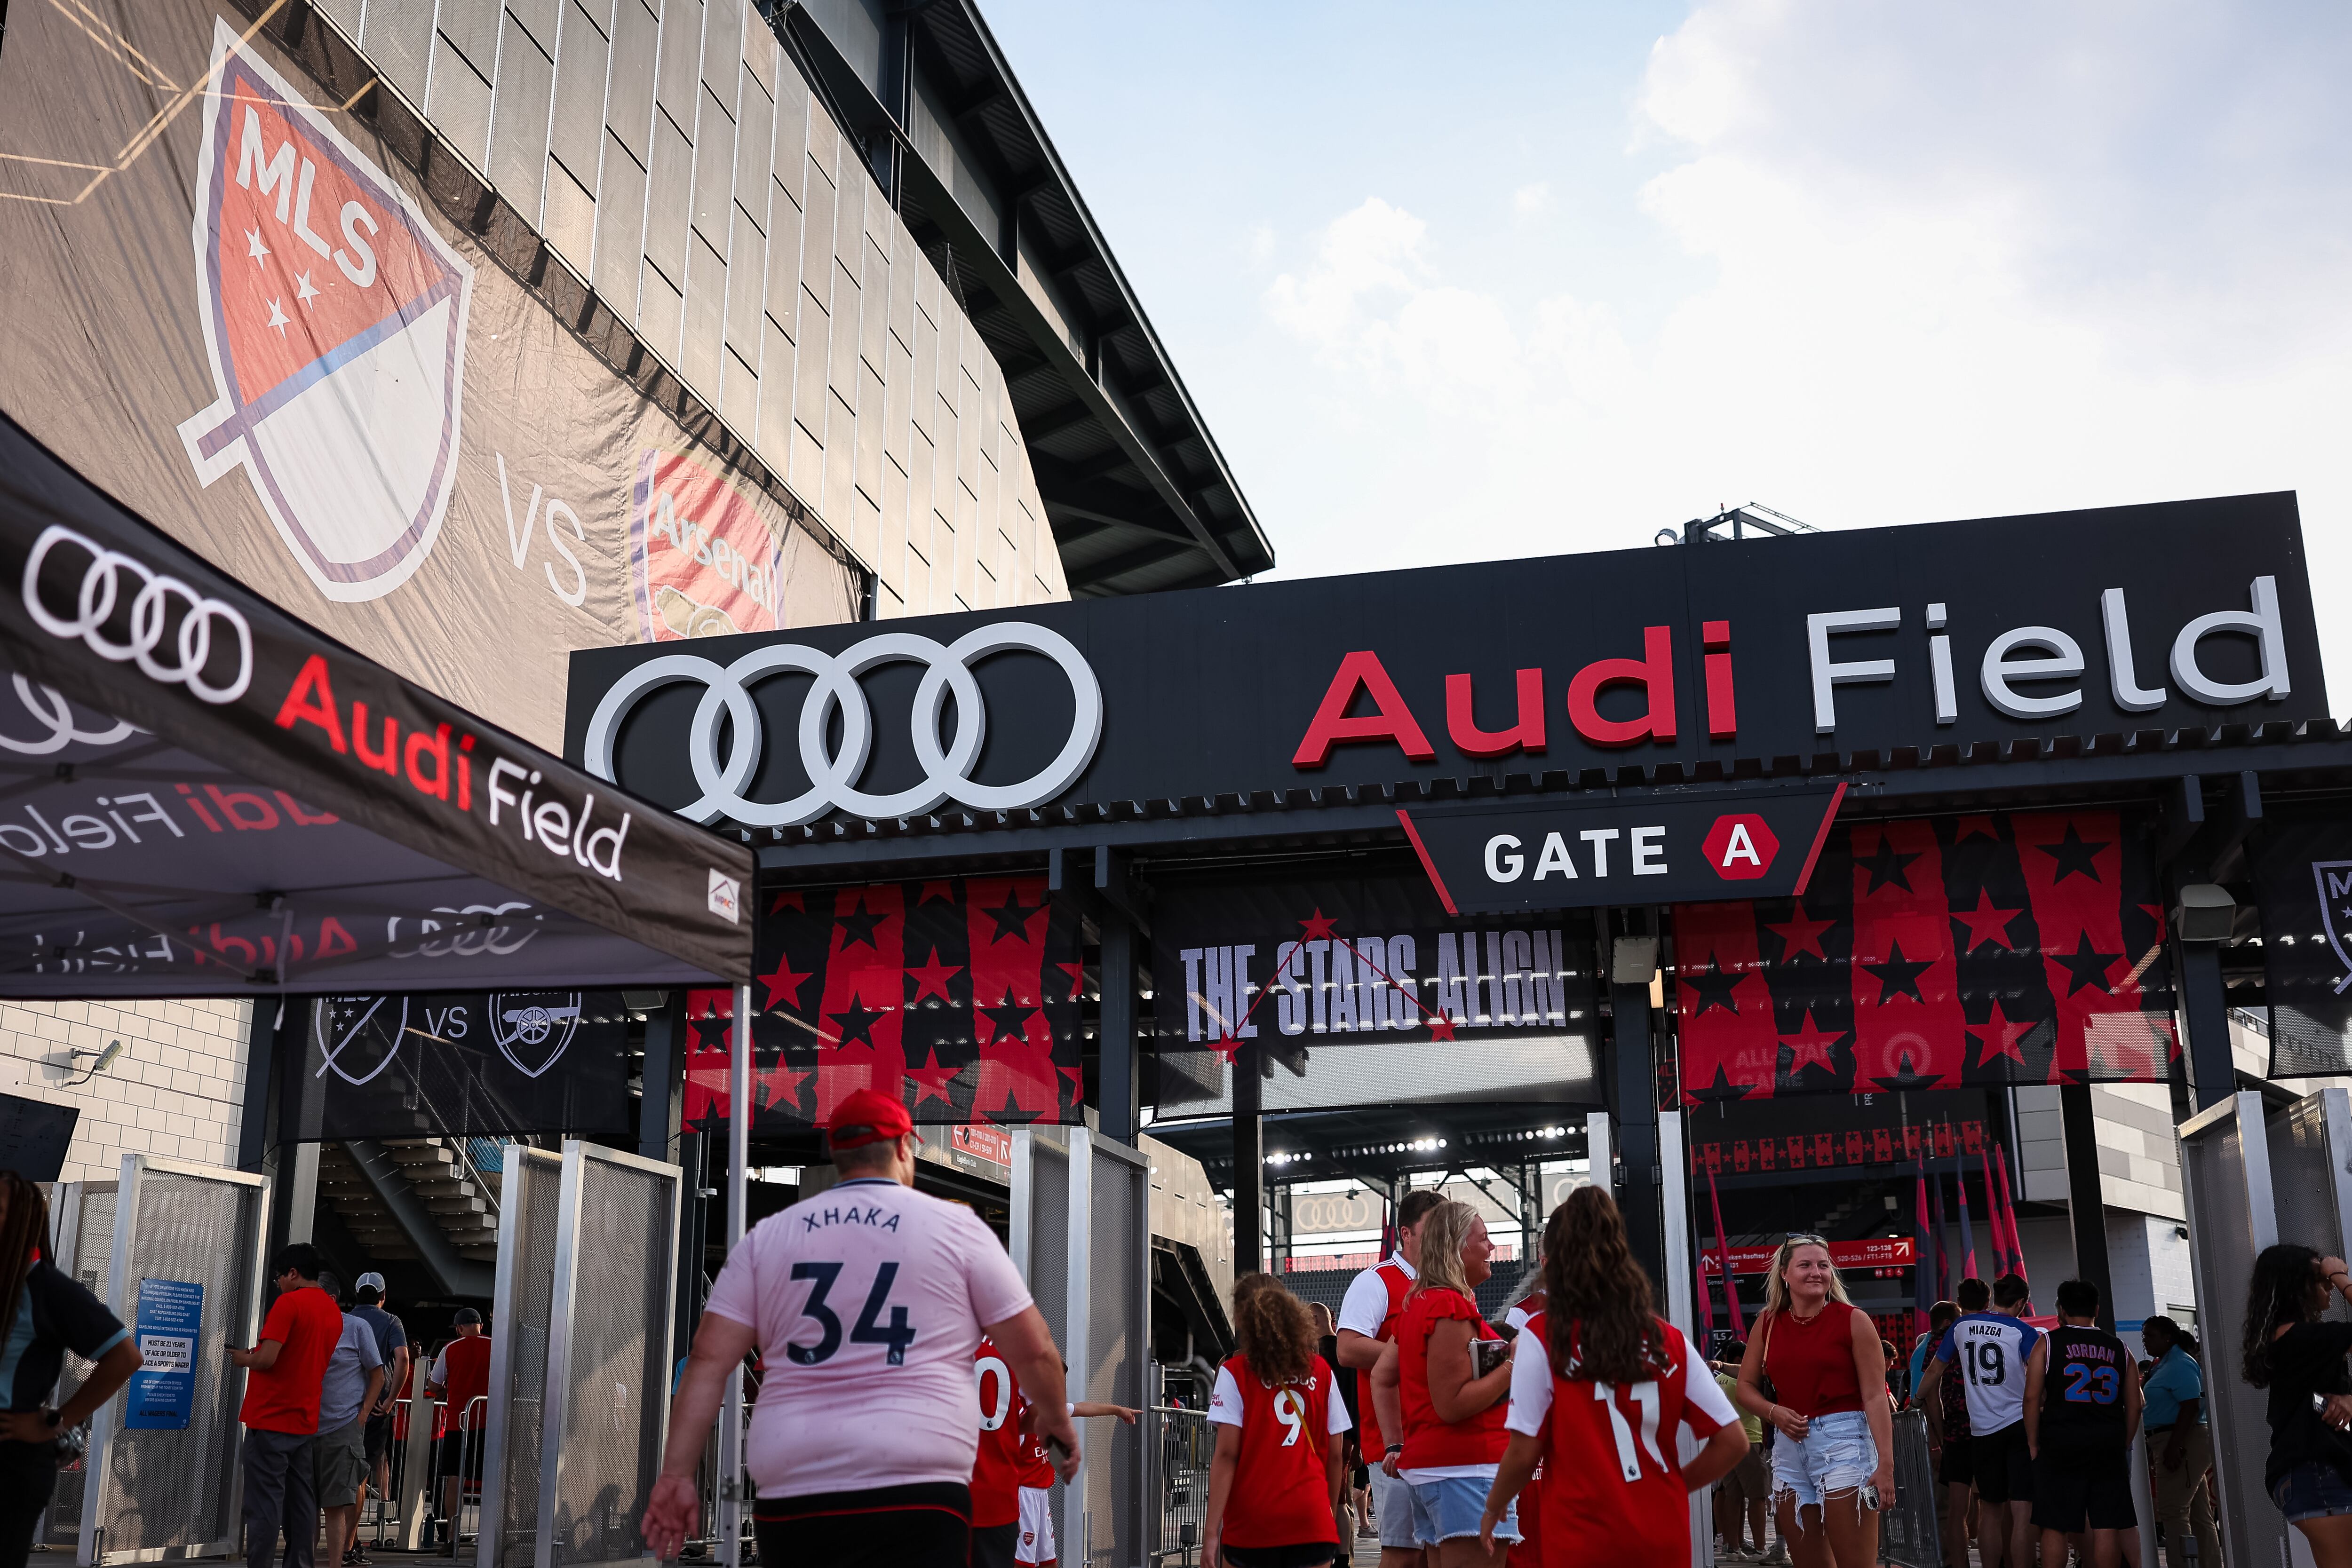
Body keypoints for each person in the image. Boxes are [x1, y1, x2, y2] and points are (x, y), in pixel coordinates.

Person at [640, 1088, 1081, 1568]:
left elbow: (708, 1360)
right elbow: (1035, 1351)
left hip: (795, 1486)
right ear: (902, 1149)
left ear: (837, 1153)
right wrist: (1057, 1423)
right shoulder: (955, 1228)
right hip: (918, 1484)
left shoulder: (769, 1236)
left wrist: (676, 1475)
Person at [1478, 1186, 1748, 1566]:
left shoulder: (1542, 1337)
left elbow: (1524, 1452)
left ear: (1552, 1263)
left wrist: (1493, 1508)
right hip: (1662, 1534)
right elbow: (1734, 1442)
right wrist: (1672, 1487)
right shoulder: (1668, 1339)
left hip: (1581, 1535)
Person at [0, 1172, 142, 1568]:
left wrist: (58, 1421)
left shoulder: (47, 1288)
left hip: (12, 1464)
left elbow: (126, 1357)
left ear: (24, 1223)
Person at [1368, 1199, 1518, 1567]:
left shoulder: (1420, 1303)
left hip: (1443, 1469)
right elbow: (1452, 1404)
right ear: (1457, 1246)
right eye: (1483, 1238)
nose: (1491, 1247)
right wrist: (1514, 1362)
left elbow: (1383, 1376)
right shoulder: (1448, 1306)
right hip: (1466, 1469)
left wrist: (1396, 1443)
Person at [1734, 1235, 1894, 1568]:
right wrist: (1773, 1412)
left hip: (1848, 1445)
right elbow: (1746, 1386)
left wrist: (1887, 1466)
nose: (1816, 1272)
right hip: (1789, 1449)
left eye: (1823, 1265)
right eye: (1805, 1265)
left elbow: (1876, 1395)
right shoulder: (1768, 1322)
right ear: (1784, 1274)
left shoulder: (1853, 1320)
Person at [1202, 1275, 1350, 1568]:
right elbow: (1335, 1456)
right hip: (1311, 1517)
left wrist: (1210, 1533)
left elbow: (1228, 1454)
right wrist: (1328, 1514)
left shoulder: (1234, 1373)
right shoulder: (1320, 1370)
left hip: (1253, 1521)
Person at [1337, 1188, 1444, 1568]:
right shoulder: (1377, 1281)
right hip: (1393, 1443)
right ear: (1406, 1234)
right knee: (1404, 1553)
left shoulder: (1448, 1285)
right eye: (1432, 1229)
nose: (1440, 1239)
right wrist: (1416, 1357)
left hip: (1440, 1437)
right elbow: (1347, 1349)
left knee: (1436, 1551)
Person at [971, 1336, 1135, 1568]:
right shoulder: (1017, 1416)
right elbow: (1007, 1461)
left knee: (1049, 1561)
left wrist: (1118, 1410)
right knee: (1023, 1563)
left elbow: (1081, 1409)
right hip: (1023, 1495)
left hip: (1041, 1496)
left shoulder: (1050, 1411)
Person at [230, 1243, 346, 1568]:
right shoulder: (332, 1311)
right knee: (302, 1506)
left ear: (293, 1274)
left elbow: (268, 1359)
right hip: (305, 1420)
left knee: (265, 1505)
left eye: (280, 1277)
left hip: (270, 1418)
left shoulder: (289, 1304)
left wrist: (244, 1358)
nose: (279, 1283)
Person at [1917, 1272, 2041, 1568]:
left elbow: (1933, 1373)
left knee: (1990, 1511)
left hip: (1981, 1430)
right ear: (2022, 1303)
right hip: (2018, 1426)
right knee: (2023, 1511)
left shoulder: (1960, 1326)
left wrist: (1916, 1400)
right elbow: (2040, 1385)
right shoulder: (2024, 1333)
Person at [2241, 1244, 2352, 1564]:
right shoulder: (2300, 1338)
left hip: (2309, 1472)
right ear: (2299, 1286)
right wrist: (2341, 1274)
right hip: (2318, 1471)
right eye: (2320, 1279)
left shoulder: (2295, 1341)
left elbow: (2310, 1401)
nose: (2329, 1287)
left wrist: (2347, 1400)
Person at [2022, 1279, 2141, 1568]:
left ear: (2061, 1310)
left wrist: (2033, 1443)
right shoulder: (2120, 1348)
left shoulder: (2048, 1343)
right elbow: (2136, 1404)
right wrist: (2123, 1441)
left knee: (2055, 1525)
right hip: (2107, 1443)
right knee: (2106, 1524)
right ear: (2097, 1310)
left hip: (2060, 1442)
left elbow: (2031, 1397)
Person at [315, 1281, 387, 1568]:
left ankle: (339, 1558)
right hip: (304, 1425)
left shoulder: (357, 1327)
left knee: (336, 1503)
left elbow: (380, 1372)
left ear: (332, 1298)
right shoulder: (303, 1325)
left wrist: (363, 1415)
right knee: (306, 1507)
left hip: (342, 1425)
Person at [2141, 1315, 2221, 1568]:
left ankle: (2182, 1564)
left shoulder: (2179, 1363)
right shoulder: (2163, 1363)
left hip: (2181, 1439)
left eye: (2150, 1336)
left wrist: (2175, 1446)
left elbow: (2191, 1405)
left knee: (2173, 1511)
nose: (2145, 1341)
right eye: (2144, 1336)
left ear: (2168, 1337)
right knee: (2199, 1514)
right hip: (2174, 1438)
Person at [345, 1273, 407, 1567]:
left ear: (357, 1295)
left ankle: (341, 1539)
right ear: (383, 1296)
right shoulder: (392, 1322)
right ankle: (350, 1542)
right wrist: (391, 1399)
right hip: (376, 1407)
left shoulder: (345, 1320)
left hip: (345, 1405)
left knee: (340, 1472)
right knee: (363, 1473)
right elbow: (403, 1358)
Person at [1911, 1295, 1974, 1568]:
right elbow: (1924, 1396)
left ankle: (1956, 1558)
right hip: (1940, 1437)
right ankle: (1949, 1561)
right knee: (1947, 1508)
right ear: (1949, 1323)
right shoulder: (1932, 1350)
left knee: (1958, 1506)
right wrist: (1936, 1443)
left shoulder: (1930, 1348)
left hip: (1948, 1436)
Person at [425, 1307, 491, 1546]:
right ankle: (490, 1536)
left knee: (455, 1478)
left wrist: (448, 1390)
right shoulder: (496, 1346)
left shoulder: (450, 1349)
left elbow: (433, 1386)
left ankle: (452, 1535)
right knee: (492, 1478)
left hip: (459, 1422)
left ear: (459, 1328)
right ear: (480, 1325)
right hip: (489, 1423)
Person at [1712, 1341, 1768, 1560]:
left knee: (1731, 1496)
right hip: (1748, 1440)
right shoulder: (1743, 1382)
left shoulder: (1718, 1381)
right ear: (1738, 1361)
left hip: (1725, 1443)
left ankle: (1732, 1547)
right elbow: (1760, 1409)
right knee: (1758, 1497)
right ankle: (1761, 1549)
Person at [1308, 1301, 1354, 1560]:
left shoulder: (1317, 1354)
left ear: (1315, 1320)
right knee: (1340, 1502)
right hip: (1343, 1437)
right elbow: (1356, 1396)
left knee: (1331, 1502)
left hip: (1323, 1438)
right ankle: (1343, 1558)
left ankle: (1330, 1555)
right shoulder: (1345, 1351)